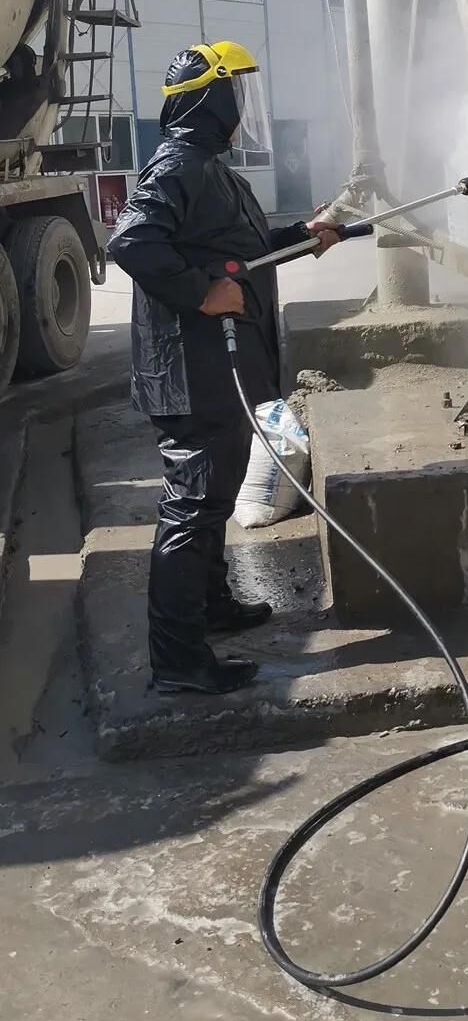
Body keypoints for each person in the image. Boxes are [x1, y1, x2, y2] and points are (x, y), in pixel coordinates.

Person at [108, 41, 342, 695]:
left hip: (214, 373)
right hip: (191, 372)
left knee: (213, 497)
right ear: (210, 100)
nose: (244, 110)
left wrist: (304, 236)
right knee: (192, 507)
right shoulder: (177, 166)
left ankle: (210, 606)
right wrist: (202, 292)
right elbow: (131, 241)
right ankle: (178, 661)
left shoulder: (210, 169)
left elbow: (242, 252)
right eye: (236, 94)